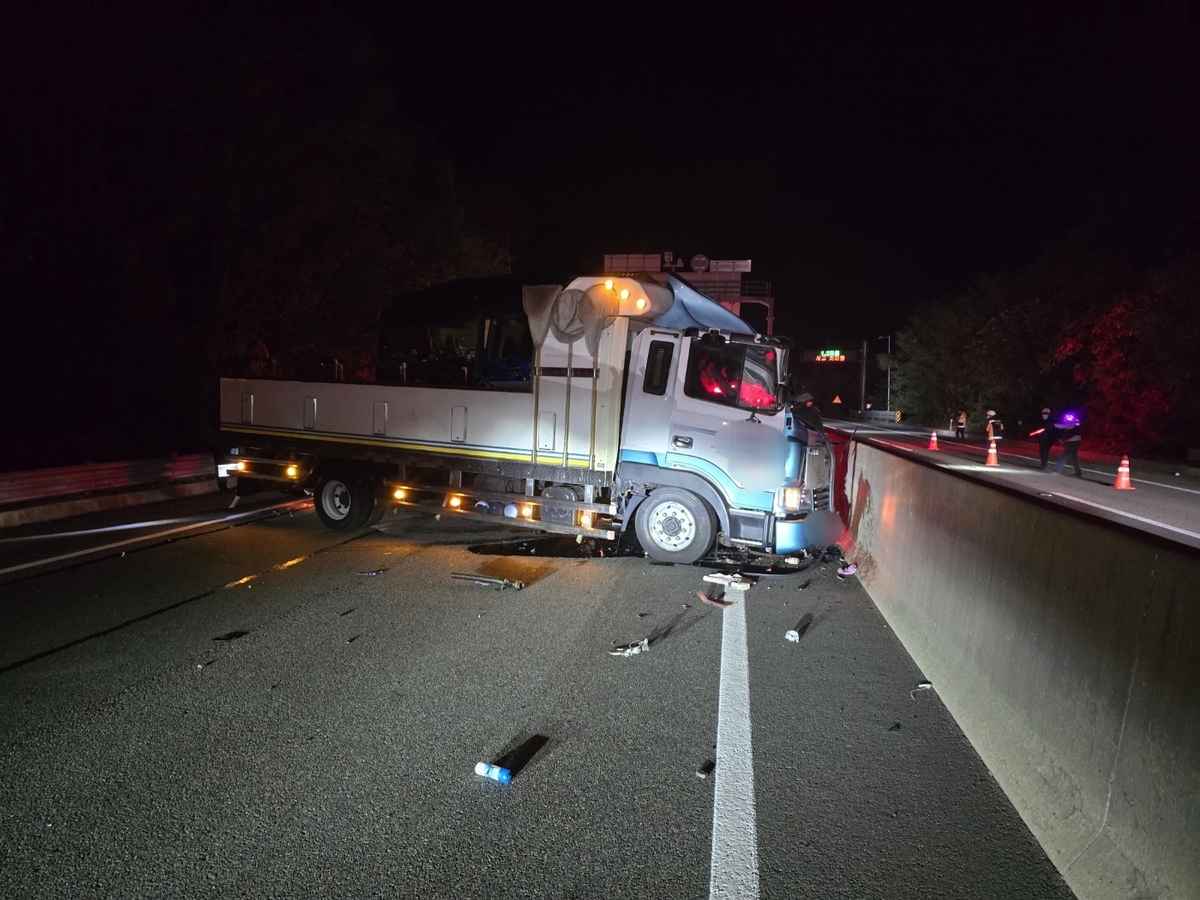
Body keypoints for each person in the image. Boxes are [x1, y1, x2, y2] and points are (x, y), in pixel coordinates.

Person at [1054, 412, 1083, 477]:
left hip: (1072, 441)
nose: (1068, 418)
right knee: (1074, 457)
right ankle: (1078, 473)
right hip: (1076, 441)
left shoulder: (1072, 423)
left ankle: (1057, 471)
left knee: (1064, 456)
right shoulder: (1076, 422)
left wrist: (1053, 425)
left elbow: (1062, 426)